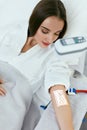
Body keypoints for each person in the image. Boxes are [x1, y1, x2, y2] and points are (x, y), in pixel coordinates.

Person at [0, 0, 74, 130]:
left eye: (56, 34)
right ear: (35, 22)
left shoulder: (55, 54)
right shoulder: (12, 31)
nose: (50, 39)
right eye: (45, 31)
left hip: (8, 106)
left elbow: (58, 93)